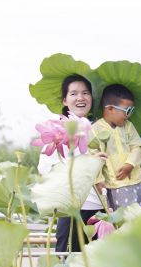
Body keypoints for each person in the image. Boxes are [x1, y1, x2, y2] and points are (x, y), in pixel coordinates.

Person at [37, 74, 104, 252]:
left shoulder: (102, 129)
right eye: (73, 94)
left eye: (86, 93)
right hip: (71, 209)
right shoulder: (56, 129)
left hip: (102, 209)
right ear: (65, 100)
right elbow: (45, 168)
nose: (80, 98)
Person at [89, 84, 141, 210]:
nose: (128, 115)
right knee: (120, 220)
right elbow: (92, 157)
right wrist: (98, 180)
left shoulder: (128, 126)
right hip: (113, 185)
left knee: (138, 215)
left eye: (132, 111)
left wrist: (130, 164)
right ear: (109, 109)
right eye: (127, 111)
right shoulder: (95, 130)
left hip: (135, 181)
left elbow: (137, 146)